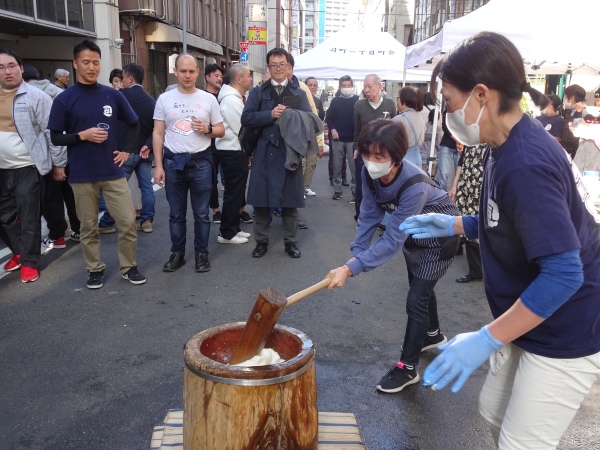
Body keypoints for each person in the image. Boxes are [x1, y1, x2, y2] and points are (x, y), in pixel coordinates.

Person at [400, 32, 600, 449]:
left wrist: (487, 337)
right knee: (493, 411)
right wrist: (457, 225)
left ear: (481, 95)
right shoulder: (501, 143)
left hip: (568, 323)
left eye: (450, 103)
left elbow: (564, 274)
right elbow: (511, 221)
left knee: (520, 443)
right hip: (529, 311)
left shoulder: (526, 162)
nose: (447, 113)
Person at [325, 119, 459, 393]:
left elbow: (391, 239)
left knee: (416, 299)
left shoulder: (414, 185)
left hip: (440, 237)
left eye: (379, 156)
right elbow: (369, 216)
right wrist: (356, 256)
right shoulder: (369, 173)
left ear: (396, 158)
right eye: (366, 153)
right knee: (420, 288)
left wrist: (352, 269)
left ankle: (407, 369)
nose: (370, 161)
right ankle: (432, 334)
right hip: (414, 234)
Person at [48, 40, 145, 290]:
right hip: (81, 174)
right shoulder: (64, 99)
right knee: (88, 227)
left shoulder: (112, 94)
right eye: (86, 62)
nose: (91, 67)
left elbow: (134, 124)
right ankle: (94, 269)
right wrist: (82, 135)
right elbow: (55, 136)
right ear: (75, 64)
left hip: (112, 171)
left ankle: (128, 266)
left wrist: (126, 151)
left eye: (95, 62)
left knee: (127, 222)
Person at [153, 54, 224, 273]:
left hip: (201, 161)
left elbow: (221, 130)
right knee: (176, 213)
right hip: (173, 162)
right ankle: (178, 254)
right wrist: (158, 165)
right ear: (176, 71)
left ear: (198, 72)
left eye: (191, 71)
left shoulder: (208, 99)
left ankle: (202, 255)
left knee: (202, 213)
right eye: (183, 71)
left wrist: (208, 130)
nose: (187, 75)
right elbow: (157, 133)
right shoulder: (164, 99)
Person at [0, 48, 66, 283]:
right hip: (2, 168)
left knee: (29, 216)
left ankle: (29, 262)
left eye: (11, 66)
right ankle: (19, 251)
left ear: (20, 68)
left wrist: (58, 164)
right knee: (5, 216)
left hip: (29, 167)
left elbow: (53, 132)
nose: (6, 71)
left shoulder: (36, 97)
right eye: (1, 67)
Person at [241, 48, 311, 259]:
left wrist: (293, 117)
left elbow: (308, 119)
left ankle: (291, 242)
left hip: (290, 152)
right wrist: (270, 114)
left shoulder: (298, 93)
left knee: (290, 201)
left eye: (282, 64)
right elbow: (247, 118)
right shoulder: (258, 92)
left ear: (289, 67)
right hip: (264, 151)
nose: (278, 69)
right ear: (268, 67)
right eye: (274, 65)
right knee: (261, 201)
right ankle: (261, 241)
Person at [98, 63, 156, 234]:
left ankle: (107, 222)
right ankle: (146, 221)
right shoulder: (151, 101)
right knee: (147, 187)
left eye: (122, 77)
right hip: (145, 151)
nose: (121, 81)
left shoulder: (118, 97)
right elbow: (158, 129)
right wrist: (148, 145)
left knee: (116, 189)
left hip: (125, 151)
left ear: (130, 78)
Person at [215, 63, 253, 244]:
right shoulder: (231, 100)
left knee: (236, 193)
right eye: (248, 76)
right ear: (239, 79)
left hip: (235, 150)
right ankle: (227, 233)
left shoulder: (234, 98)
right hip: (231, 151)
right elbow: (243, 128)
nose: (250, 79)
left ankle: (233, 227)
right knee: (233, 193)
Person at [353, 74, 396, 220]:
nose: (366, 90)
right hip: (364, 152)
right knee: (362, 187)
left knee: (383, 185)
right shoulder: (359, 105)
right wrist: (356, 147)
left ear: (379, 86)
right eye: (364, 87)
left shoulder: (390, 104)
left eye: (369, 86)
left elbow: (394, 127)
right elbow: (357, 129)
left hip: (384, 153)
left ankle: (381, 218)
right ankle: (360, 217)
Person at [448, 144, 486, 283]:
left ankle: (481, 270)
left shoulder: (491, 140)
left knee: (479, 226)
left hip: (481, 188)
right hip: (465, 186)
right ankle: (474, 269)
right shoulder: (470, 138)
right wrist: (454, 185)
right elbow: (461, 161)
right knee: (465, 222)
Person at [326, 75, 358, 200]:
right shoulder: (335, 101)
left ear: (352, 86)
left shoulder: (357, 100)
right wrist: (333, 129)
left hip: (352, 139)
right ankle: (337, 190)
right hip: (338, 138)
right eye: (344, 86)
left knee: (354, 166)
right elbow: (329, 118)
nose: (346, 88)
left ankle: (355, 191)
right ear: (340, 87)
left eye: (348, 86)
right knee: (337, 165)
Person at [204, 64, 224, 224]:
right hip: (209, 144)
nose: (219, 78)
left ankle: (240, 209)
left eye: (220, 75)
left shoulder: (226, 96)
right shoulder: (202, 97)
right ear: (207, 77)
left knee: (233, 178)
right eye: (216, 75)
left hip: (227, 142)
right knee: (211, 179)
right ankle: (215, 210)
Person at [393, 87, 425, 167]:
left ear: (405, 100)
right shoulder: (420, 117)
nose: (397, 101)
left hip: (403, 160)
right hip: (417, 159)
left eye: (398, 98)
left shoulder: (399, 119)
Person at [434, 109, 463, 191]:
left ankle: (454, 198)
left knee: (459, 175)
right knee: (443, 175)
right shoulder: (451, 105)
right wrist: (458, 140)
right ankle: (440, 198)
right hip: (448, 144)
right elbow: (445, 126)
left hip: (461, 145)